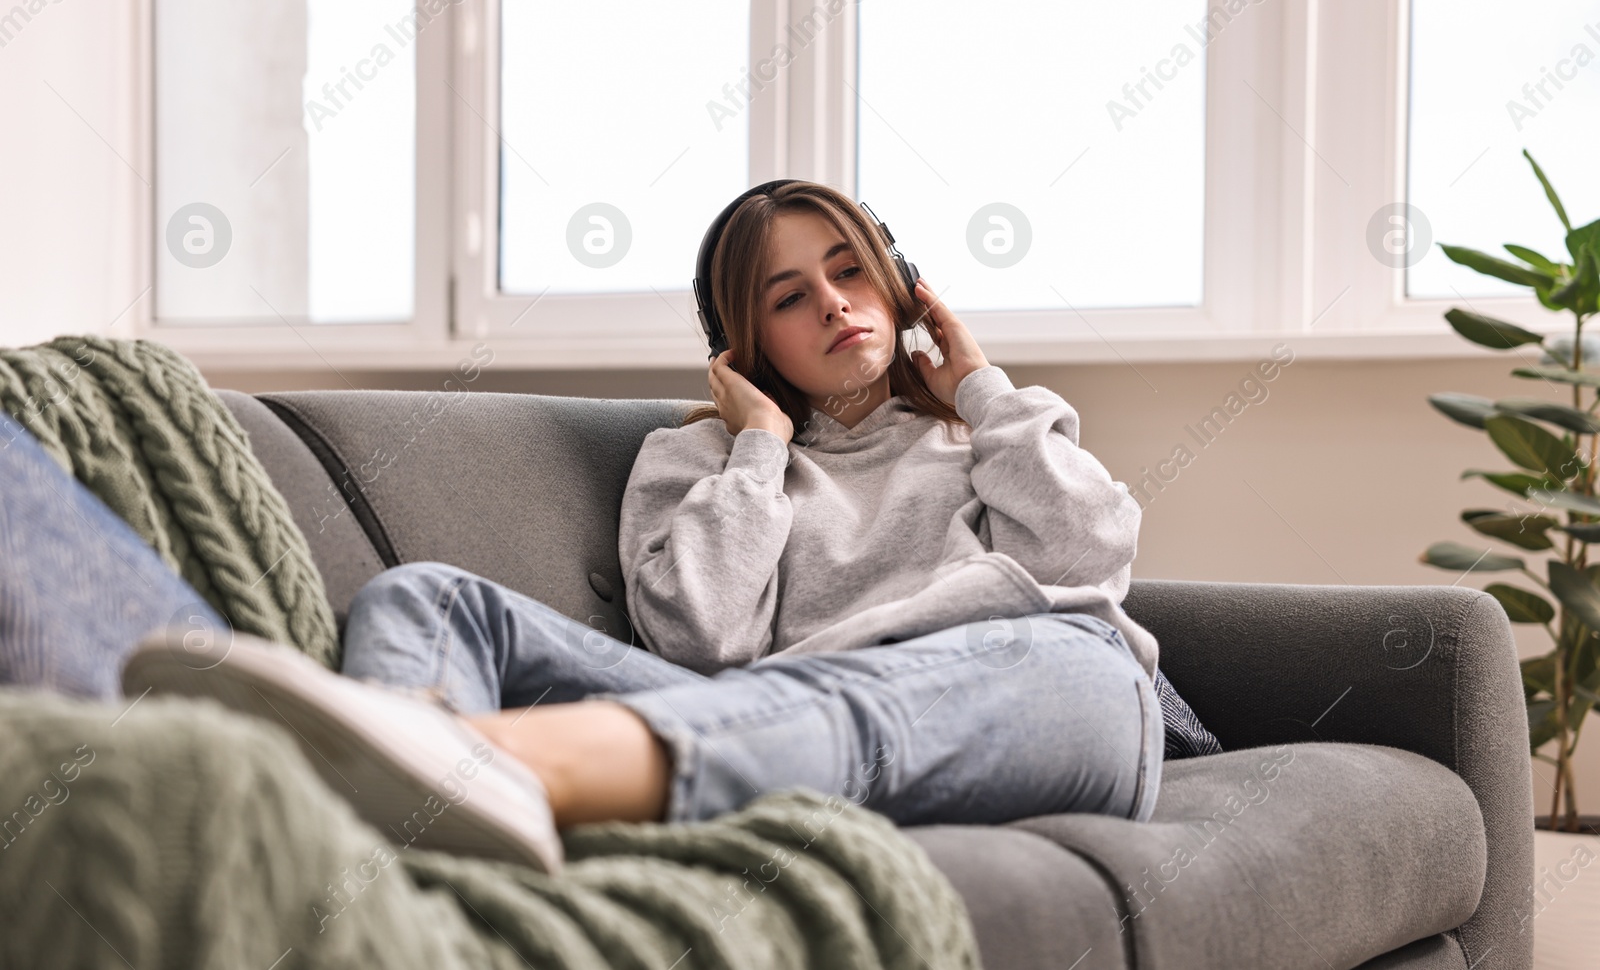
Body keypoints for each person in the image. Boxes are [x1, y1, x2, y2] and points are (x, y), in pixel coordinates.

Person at [122, 181, 1166, 876]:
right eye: (790, 297)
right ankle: (404, 848)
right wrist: (756, 446)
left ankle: (463, 766)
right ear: (745, 341)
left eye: (852, 271)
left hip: (1047, 682)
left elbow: (1084, 557)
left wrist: (978, 385)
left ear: (903, 285)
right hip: (768, 704)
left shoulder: (983, 430)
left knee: (918, 682)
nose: (836, 306)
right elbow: (703, 640)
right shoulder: (704, 459)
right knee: (428, 597)